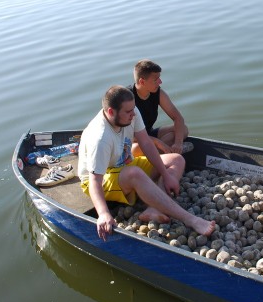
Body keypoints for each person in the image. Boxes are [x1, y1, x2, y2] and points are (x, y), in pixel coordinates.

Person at [78, 85, 215, 241]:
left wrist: (165, 174)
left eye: (133, 109)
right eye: (128, 112)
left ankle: (153, 208)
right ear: (111, 112)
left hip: (123, 164)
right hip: (99, 178)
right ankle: (190, 219)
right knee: (134, 174)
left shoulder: (132, 113)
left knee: (176, 159)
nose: (133, 115)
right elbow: (95, 181)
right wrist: (103, 213)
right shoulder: (101, 138)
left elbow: (146, 143)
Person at [129, 59, 190, 156]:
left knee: (183, 129)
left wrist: (178, 143)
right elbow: (127, 135)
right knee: (137, 149)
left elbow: (178, 118)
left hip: (149, 134)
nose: (160, 82)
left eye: (159, 78)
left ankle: (164, 152)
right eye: (155, 80)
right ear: (142, 81)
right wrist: (159, 143)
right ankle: (165, 152)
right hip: (132, 141)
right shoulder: (127, 98)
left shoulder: (158, 93)